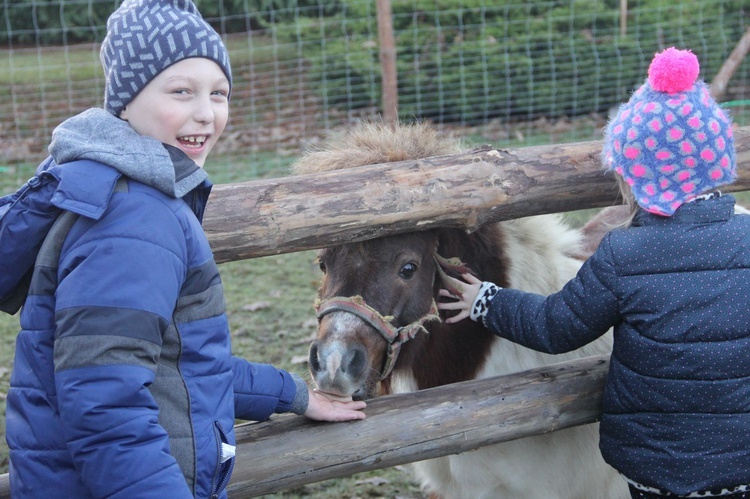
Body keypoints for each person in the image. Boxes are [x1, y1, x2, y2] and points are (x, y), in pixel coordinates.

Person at [4, 1, 365, 497]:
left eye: (219, 93)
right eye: (181, 91)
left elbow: (179, 366)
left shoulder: (138, 195)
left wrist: (295, 395)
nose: (205, 113)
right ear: (126, 100)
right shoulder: (133, 216)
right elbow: (106, 407)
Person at [437, 47, 750, 498]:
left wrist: (486, 300)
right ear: (718, 164)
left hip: (654, 467)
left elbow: (556, 327)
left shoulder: (625, 253)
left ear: (629, 177)